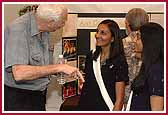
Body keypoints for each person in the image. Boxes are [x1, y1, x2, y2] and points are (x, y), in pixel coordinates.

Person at [4, 4, 84, 111]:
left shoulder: (43, 28)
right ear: (51, 22)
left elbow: (39, 66)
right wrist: (57, 68)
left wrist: (58, 70)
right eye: (63, 21)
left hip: (38, 95)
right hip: (19, 98)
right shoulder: (19, 30)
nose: (64, 24)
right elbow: (19, 73)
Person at [77, 19, 129, 111]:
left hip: (106, 108)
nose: (97, 35)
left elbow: (119, 99)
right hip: (85, 107)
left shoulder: (119, 62)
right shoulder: (91, 56)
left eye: (103, 33)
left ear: (113, 38)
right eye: (97, 32)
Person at [130, 22, 164, 111]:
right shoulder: (149, 65)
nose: (134, 41)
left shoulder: (157, 69)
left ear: (149, 41)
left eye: (138, 37)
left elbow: (157, 110)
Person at [122, 8, 149, 108]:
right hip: (147, 94)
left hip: (123, 95)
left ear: (127, 24)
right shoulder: (154, 44)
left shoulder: (120, 45)